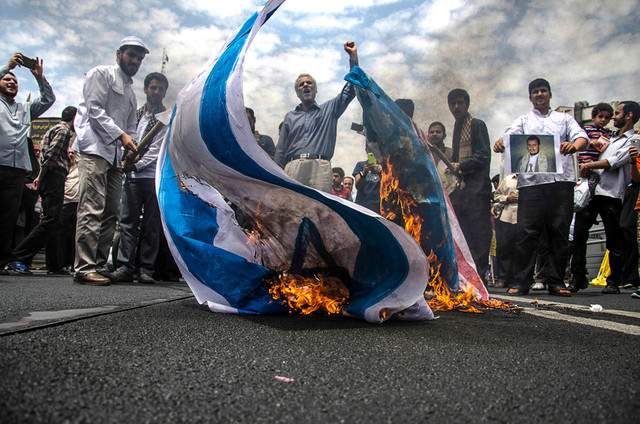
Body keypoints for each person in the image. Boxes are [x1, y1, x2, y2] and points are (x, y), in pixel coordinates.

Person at [494, 78, 588, 296]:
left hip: (561, 183)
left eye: (543, 91)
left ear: (550, 95)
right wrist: (500, 142)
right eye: (535, 92)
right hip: (531, 185)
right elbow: (508, 137)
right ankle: (521, 282)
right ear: (530, 97)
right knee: (527, 233)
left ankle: (556, 282)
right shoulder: (524, 121)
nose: (539, 94)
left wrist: (573, 146)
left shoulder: (564, 119)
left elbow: (582, 137)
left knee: (559, 231)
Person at [72, 36, 146, 285]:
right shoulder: (100, 74)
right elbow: (94, 110)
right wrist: (123, 136)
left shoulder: (131, 93)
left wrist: (132, 149)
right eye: (131, 55)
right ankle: (84, 267)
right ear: (119, 54)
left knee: (110, 211)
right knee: (91, 207)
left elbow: (131, 128)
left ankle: (100, 263)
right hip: (94, 148)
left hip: (115, 157)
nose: (135, 61)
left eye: (139, 57)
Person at [569, 101, 638, 294]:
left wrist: (590, 166)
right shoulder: (608, 137)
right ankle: (578, 277)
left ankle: (613, 281)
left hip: (611, 194)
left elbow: (614, 162)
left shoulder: (631, 141)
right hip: (592, 191)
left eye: (616, 114)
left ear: (629, 115)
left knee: (613, 239)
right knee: (579, 235)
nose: (613, 118)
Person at [274, 41, 359, 192]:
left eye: (309, 83)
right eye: (301, 84)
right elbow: (280, 151)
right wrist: (276, 178)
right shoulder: (290, 117)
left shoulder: (329, 109)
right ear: (297, 92)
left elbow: (350, 90)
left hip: (320, 168)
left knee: (320, 212)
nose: (305, 85)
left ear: (316, 89)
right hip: (293, 167)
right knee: (292, 210)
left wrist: (353, 57)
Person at [109, 73, 169, 284]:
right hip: (131, 177)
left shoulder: (165, 118)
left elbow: (155, 151)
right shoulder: (135, 114)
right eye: (152, 88)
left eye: (160, 89)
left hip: (152, 177)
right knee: (127, 223)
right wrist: (126, 166)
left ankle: (146, 269)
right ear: (145, 89)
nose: (156, 92)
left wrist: (134, 165)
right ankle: (125, 266)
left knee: (151, 224)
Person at [0, 53, 55, 274]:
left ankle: (2, 260)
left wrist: (40, 79)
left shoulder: (25, 108)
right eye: (7, 79)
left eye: (15, 80)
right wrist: (7, 67)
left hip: (16, 172)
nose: (12, 82)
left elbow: (48, 100)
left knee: (8, 218)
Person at [8, 106, 77, 275]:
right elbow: (51, 157)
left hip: (51, 176)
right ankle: (18, 257)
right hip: (53, 176)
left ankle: (54, 264)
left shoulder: (54, 129)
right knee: (50, 219)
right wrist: (42, 176)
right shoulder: (63, 131)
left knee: (54, 220)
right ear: (74, 118)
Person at [447, 88, 492, 282]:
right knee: (465, 232)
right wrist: (455, 168)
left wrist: (461, 165)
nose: (456, 107)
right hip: (464, 189)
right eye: (453, 103)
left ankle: (479, 274)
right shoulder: (457, 127)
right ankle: (469, 274)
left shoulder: (477, 125)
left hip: (478, 188)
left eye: (460, 103)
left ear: (467, 104)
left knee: (479, 232)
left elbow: (483, 155)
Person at [492, 174, 518, 288]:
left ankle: (519, 278)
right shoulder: (508, 179)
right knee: (505, 247)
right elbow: (497, 195)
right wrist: (507, 198)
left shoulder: (531, 179)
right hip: (507, 215)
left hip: (524, 215)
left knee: (521, 248)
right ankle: (504, 277)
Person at [427, 121, 456, 195]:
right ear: (428, 136)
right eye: (432, 132)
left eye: (438, 132)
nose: (434, 134)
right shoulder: (423, 153)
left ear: (444, 135)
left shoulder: (452, 153)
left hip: (450, 195)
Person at [353, 147, 382, 213]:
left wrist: (383, 173)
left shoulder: (385, 166)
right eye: (370, 149)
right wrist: (364, 172)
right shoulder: (360, 165)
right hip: (362, 204)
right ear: (366, 150)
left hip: (379, 206)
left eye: (374, 148)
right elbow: (358, 186)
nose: (372, 151)